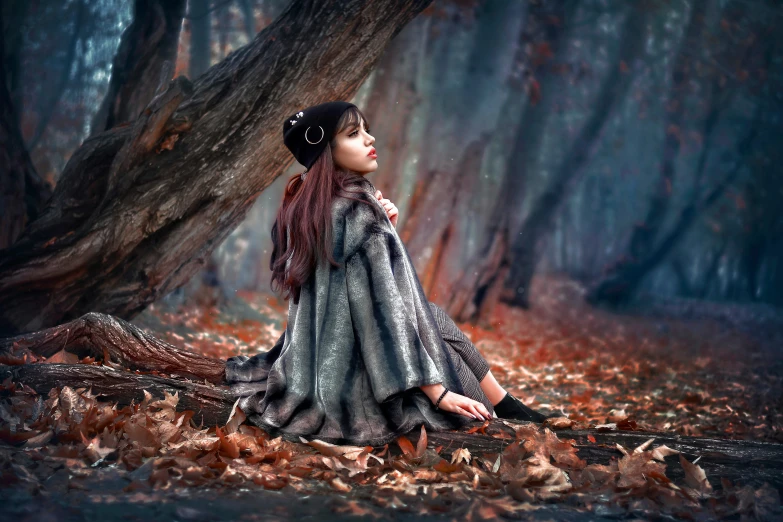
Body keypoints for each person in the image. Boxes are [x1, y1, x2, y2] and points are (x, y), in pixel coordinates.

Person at [225, 101, 551, 446]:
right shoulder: (359, 214)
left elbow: (364, 291)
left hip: (316, 365)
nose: (370, 138)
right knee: (454, 370)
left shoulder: (312, 207)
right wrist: (439, 394)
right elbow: (383, 314)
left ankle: (507, 402)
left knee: (433, 316)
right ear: (326, 150)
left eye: (365, 129)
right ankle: (505, 407)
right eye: (354, 133)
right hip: (359, 380)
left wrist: (388, 231)